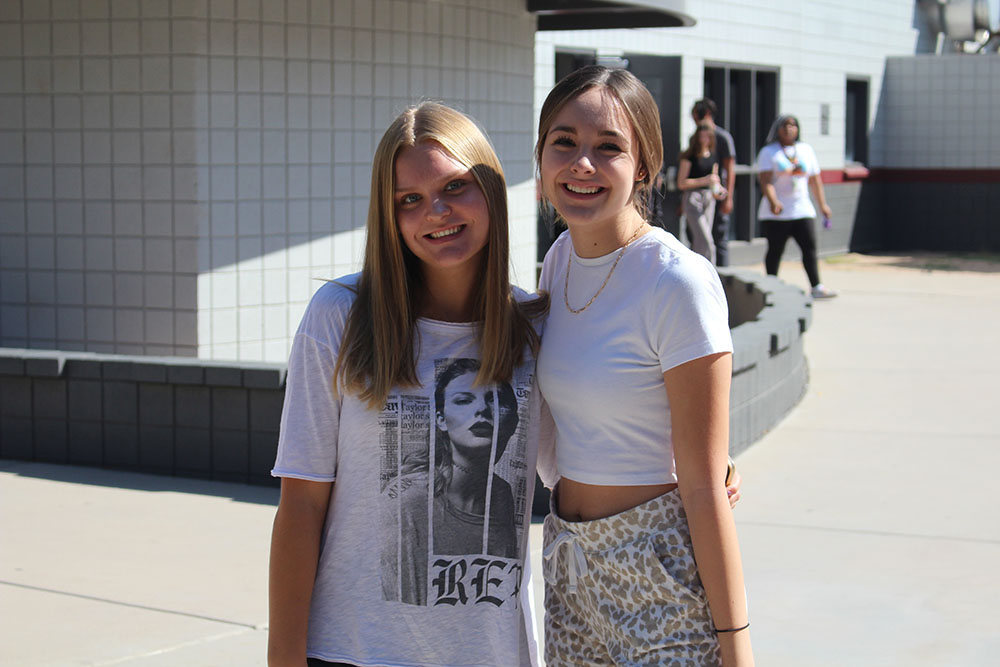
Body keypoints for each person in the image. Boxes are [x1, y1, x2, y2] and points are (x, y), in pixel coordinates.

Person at [268, 101, 549, 667]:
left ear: (491, 192)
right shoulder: (339, 316)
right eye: (410, 200)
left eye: (456, 187)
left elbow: (597, 449)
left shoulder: (536, 328)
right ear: (389, 215)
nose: (436, 212)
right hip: (352, 651)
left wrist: (704, 463)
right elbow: (300, 506)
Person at [535, 65, 754, 666]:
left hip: (657, 567)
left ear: (645, 167)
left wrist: (737, 647)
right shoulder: (558, 261)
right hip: (569, 561)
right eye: (564, 142)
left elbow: (707, 483)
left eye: (609, 148)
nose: (582, 164)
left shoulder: (676, 280)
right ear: (540, 156)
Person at [756, 114, 837, 299]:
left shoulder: (805, 150)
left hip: (802, 208)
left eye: (793, 125)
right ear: (777, 129)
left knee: (809, 247)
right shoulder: (769, 152)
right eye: (785, 125)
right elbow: (765, 180)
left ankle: (816, 286)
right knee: (775, 250)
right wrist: (773, 201)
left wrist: (823, 205)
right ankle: (771, 286)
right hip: (777, 213)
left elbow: (815, 180)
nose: (789, 129)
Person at [692, 99, 736, 267]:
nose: (696, 121)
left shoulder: (722, 137)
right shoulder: (695, 137)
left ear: (708, 114)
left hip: (718, 194)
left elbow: (729, 169)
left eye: (697, 116)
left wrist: (729, 198)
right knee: (699, 238)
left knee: (719, 237)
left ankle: (722, 280)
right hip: (698, 195)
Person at [677, 122, 726, 263]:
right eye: (701, 136)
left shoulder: (713, 155)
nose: (704, 140)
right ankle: (711, 273)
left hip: (709, 199)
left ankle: (696, 270)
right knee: (706, 242)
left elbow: (714, 180)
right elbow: (682, 183)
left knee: (700, 242)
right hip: (693, 198)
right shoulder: (689, 156)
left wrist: (719, 190)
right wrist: (705, 180)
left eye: (707, 137)